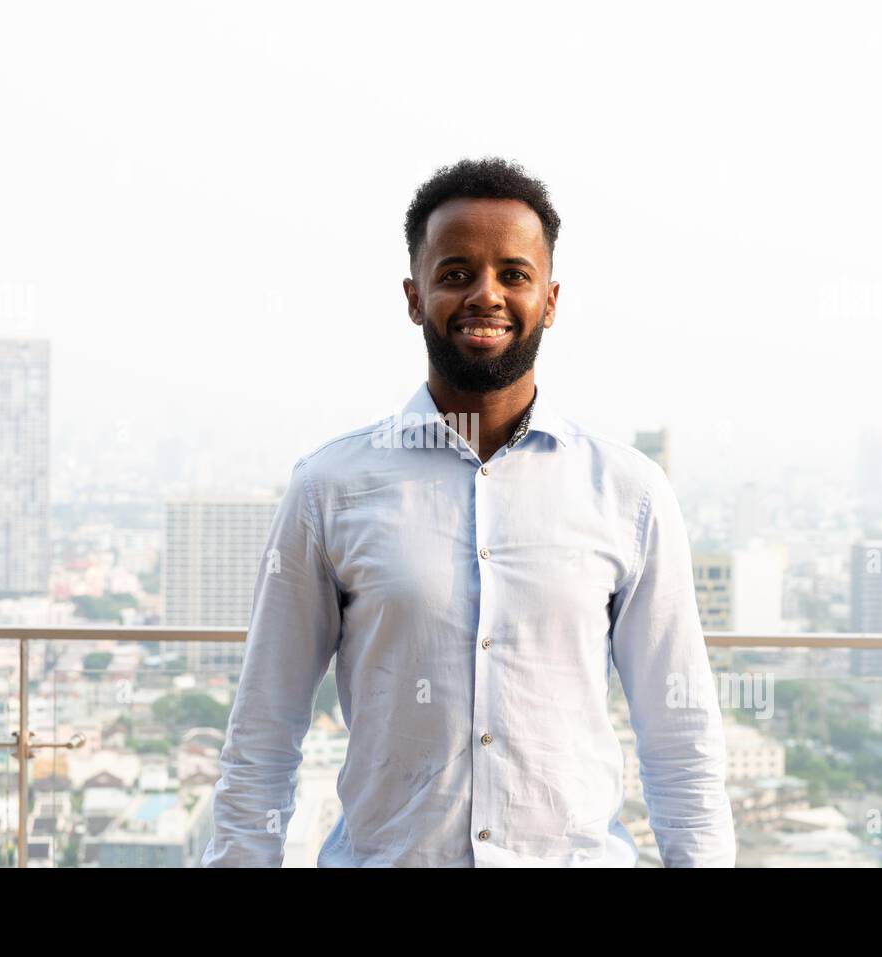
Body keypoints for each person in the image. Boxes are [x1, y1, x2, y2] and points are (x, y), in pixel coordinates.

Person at [202, 156, 736, 867]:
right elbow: (265, 729)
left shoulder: (630, 494)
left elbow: (681, 736)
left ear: (549, 299)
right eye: (455, 273)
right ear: (415, 296)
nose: (485, 294)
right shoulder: (329, 487)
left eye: (513, 274)